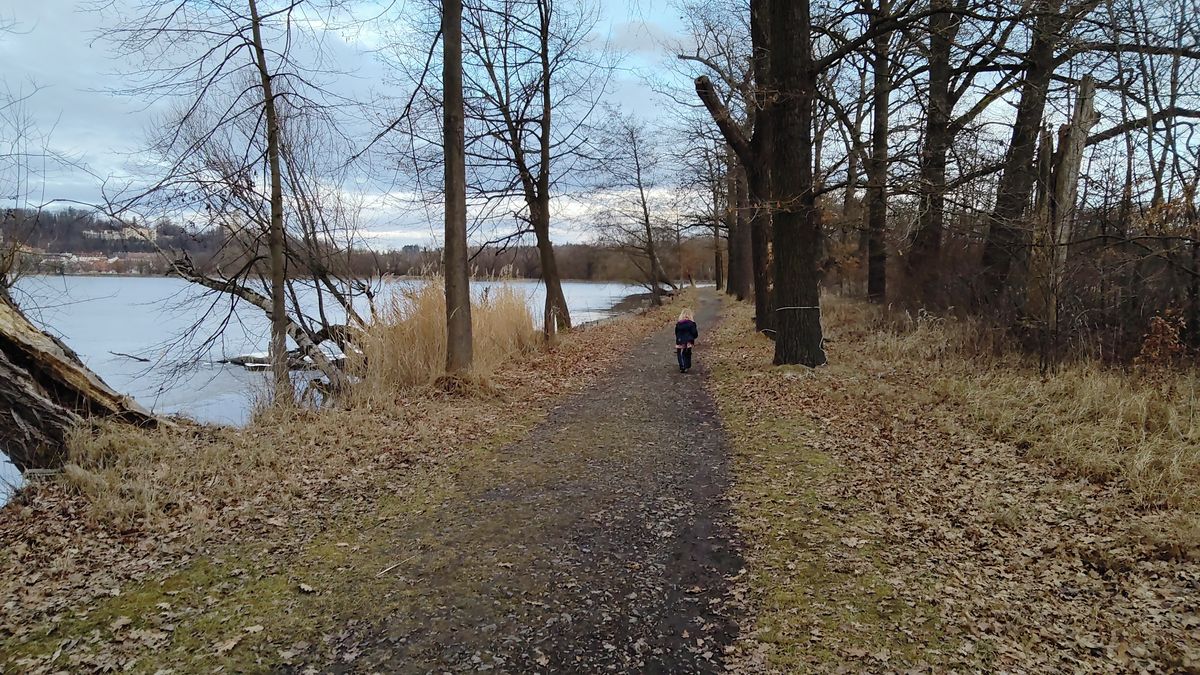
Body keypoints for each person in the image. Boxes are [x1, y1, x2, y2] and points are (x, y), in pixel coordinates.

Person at [675, 309, 698, 373]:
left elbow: (676, 332)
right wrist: (693, 337)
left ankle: (682, 366)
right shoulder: (692, 324)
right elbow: (694, 333)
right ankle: (686, 365)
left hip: (680, 340)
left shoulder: (679, 324)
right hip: (688, 341)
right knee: (687, 353)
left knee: (679, 353)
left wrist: (678, 338)